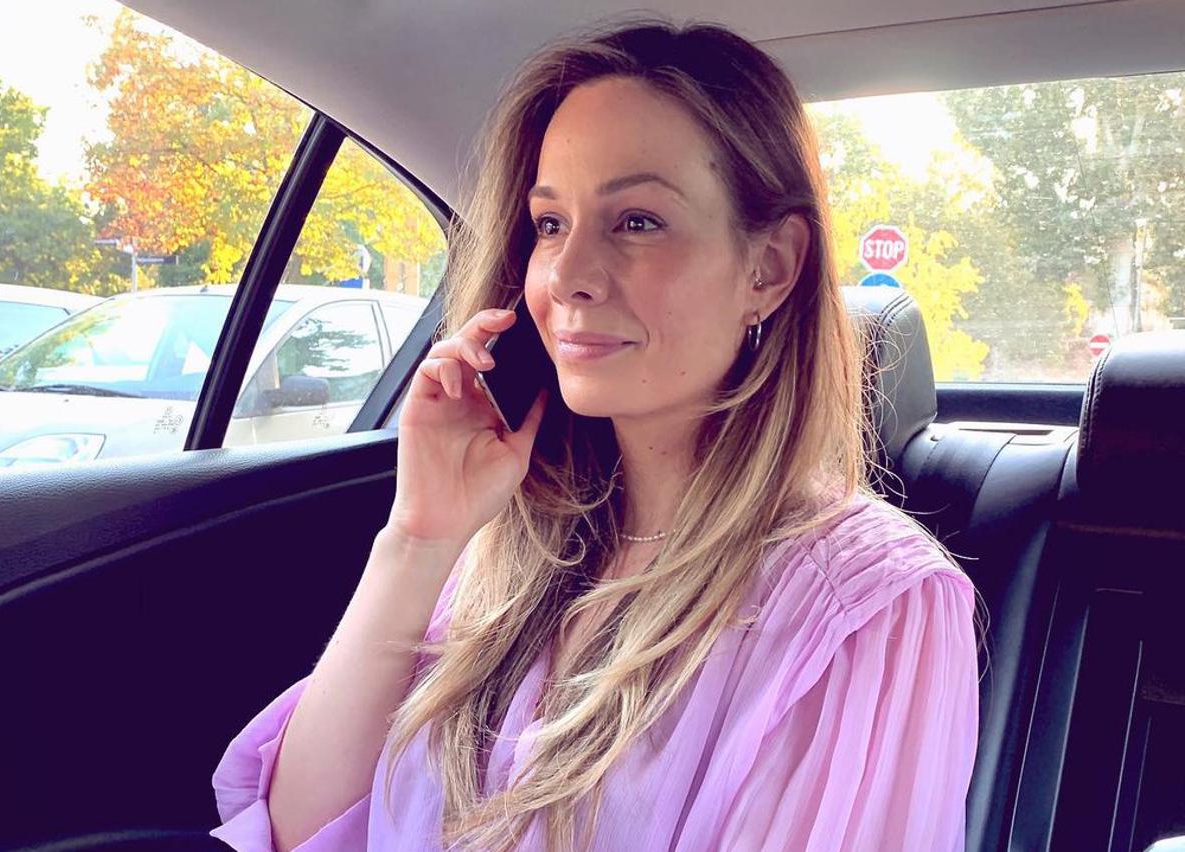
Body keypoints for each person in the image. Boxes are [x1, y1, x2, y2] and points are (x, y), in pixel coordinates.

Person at [210, 20, 978, 852]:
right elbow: (297, 829)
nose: (567, 276)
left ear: (769, 268)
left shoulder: (865, 614)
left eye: (637, 221)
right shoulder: (513, 544)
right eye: (549, 224)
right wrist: (419, 538)